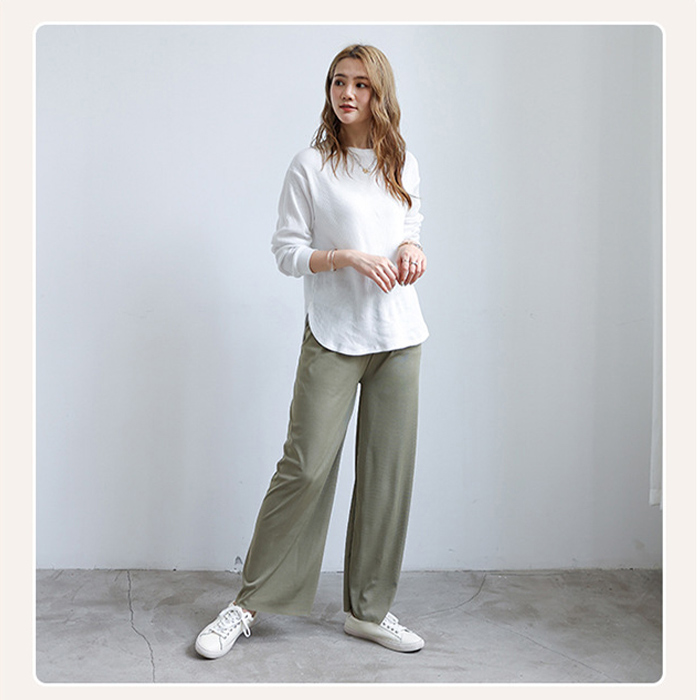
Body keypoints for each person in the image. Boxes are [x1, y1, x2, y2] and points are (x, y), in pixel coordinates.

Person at [195, 43, 429, 660]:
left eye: (361, 84)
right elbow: (286, 251)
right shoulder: (311, 166)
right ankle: (248, 603)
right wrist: (344, 257)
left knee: (386, 476)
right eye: (338, 82)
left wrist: (412, 250)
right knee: (305, 468)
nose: (347, 93)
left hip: (400, 336)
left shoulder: (400, 161)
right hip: (334, 333)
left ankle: (368, 611)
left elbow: (409, 226)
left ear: (380, 93)